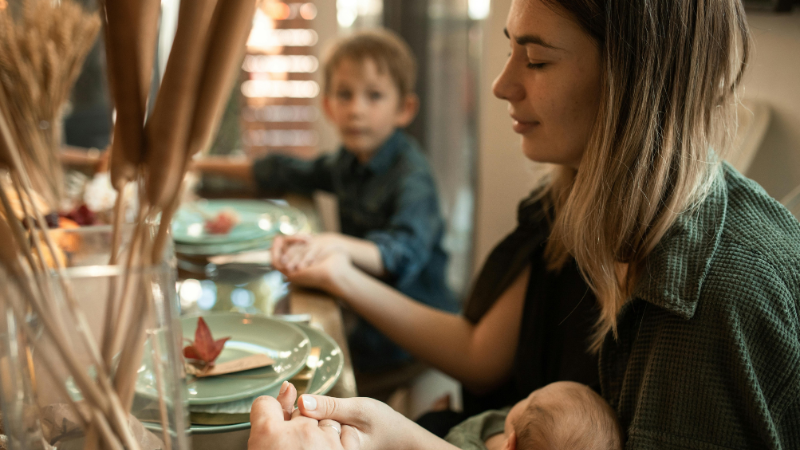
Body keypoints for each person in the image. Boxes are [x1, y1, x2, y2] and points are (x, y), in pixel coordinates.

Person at [248, 0, 800, 448]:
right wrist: (340, 275)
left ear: (634, 81)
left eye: (535, 61)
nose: (501, 84)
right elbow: (481, 355)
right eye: (511, 50)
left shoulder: (719, 303)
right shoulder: (573, 199)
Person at [194, 29, 459, 374]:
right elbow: (282, 171)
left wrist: (335, 244)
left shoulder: (413, 177)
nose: (356, 110)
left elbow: (401, 253)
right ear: (328, 107)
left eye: (374, 96)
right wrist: (195, 162)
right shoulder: (347, 161)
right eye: (344, 95)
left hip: (412, 342)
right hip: (367, 323)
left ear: (405, 109)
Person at [445, 381, 622, 450]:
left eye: (530, 398)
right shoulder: (520, 427)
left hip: (448, 433)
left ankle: (440, 411)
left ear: (511, 445)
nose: (529, 395)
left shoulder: (463, 442)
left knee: (439, 420)